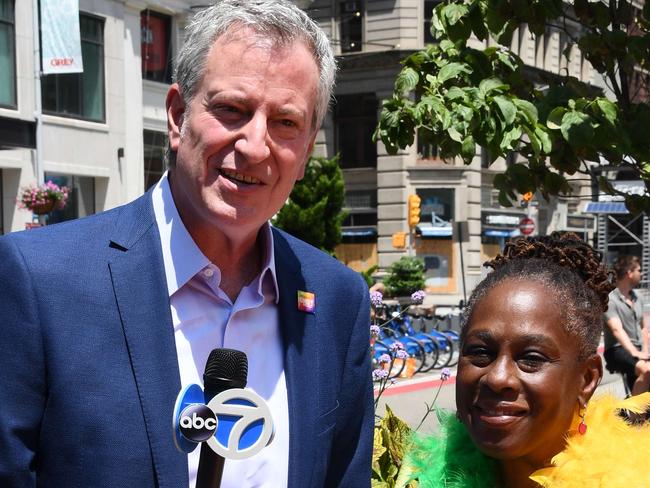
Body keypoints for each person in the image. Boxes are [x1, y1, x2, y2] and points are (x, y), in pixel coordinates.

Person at [0, 1, 373, 486]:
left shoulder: (337, 301)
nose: (255, 145)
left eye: (286, 122)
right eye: (232, 109)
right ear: (177, 116)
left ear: (305, 152)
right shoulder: (41, 281)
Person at [401, 233, 650, 487]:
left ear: (586, 380)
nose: (497, 378)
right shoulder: (416, 477)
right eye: (480, 352)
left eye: (531, 358)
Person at [603, 255, 650, 396]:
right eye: (639, 270)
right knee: (647, 371)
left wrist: (645, 352)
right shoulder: (611, 300)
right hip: (617, 350)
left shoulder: (638, 297)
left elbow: (643, 328)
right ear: (629, 273)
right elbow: (617, 330)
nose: (641, 274)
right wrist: (635, 353)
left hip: (638, 349)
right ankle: (635, 415)